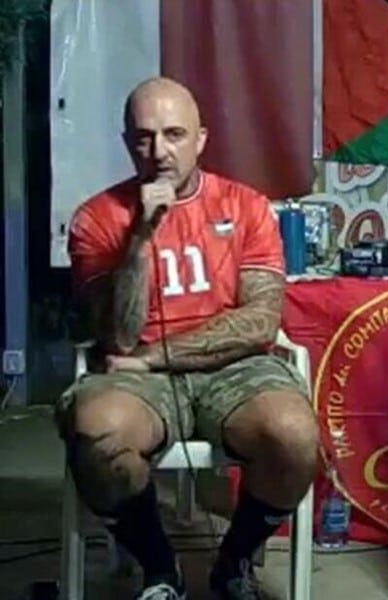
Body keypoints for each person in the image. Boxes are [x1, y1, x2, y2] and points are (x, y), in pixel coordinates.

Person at [60, 77, 320, 600]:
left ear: (201, 138)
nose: (159, 152)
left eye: (174, 134)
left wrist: (160, 356)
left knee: (294, 435)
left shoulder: (246, 206)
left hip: (230, 366)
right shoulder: (96, 219)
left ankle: (234, 560)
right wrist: (139, 239)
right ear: (126, 141)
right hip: (135, 378)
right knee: (98, 433)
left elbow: (259, 322)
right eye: (144, 137)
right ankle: (161, 570)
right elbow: (117, 335)